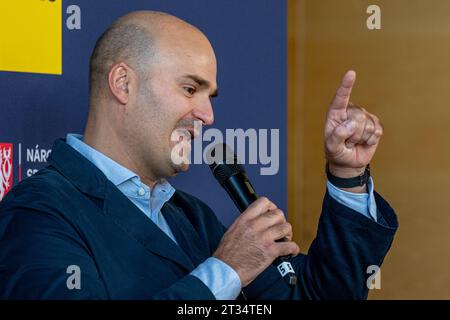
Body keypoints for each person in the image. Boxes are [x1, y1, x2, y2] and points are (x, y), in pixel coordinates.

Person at [0, 11, 397, 299]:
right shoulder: (38, 213)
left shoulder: (190, 216)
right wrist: (224, 272)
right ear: (123, 83)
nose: (208, 115)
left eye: (210, 96)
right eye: (191, 89)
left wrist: (348, 175)